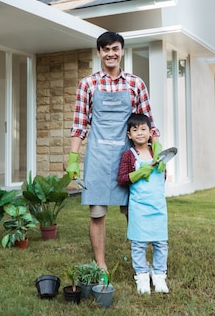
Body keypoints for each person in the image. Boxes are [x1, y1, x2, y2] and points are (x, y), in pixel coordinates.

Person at [66, 31, 160, 272]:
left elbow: (148, 123)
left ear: (122, 51)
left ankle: (142, 262)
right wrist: (74, 159)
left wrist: (156, 151)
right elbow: (79, 125)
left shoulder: (135, 83)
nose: (111, 53)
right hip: (97, 158)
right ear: (99, 53)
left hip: (129, 158)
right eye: (105, 49)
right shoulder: (87, 84)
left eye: (115, 48)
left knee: (134, 211)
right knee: (97, 214)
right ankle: (101, 265)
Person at [117, 113, 169, 294]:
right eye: (135, 130)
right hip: (139, 206)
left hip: (158, 205)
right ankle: (142, 275)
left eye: (143, 129)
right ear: (129, 135)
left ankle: (159, 274)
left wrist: (162, 167)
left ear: (150, 132)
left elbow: (162, 176)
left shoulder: (157, 153)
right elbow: (122, 178)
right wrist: (138, 173)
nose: (140, 133)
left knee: (160, 243)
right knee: (138, 243)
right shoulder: (129, 155)